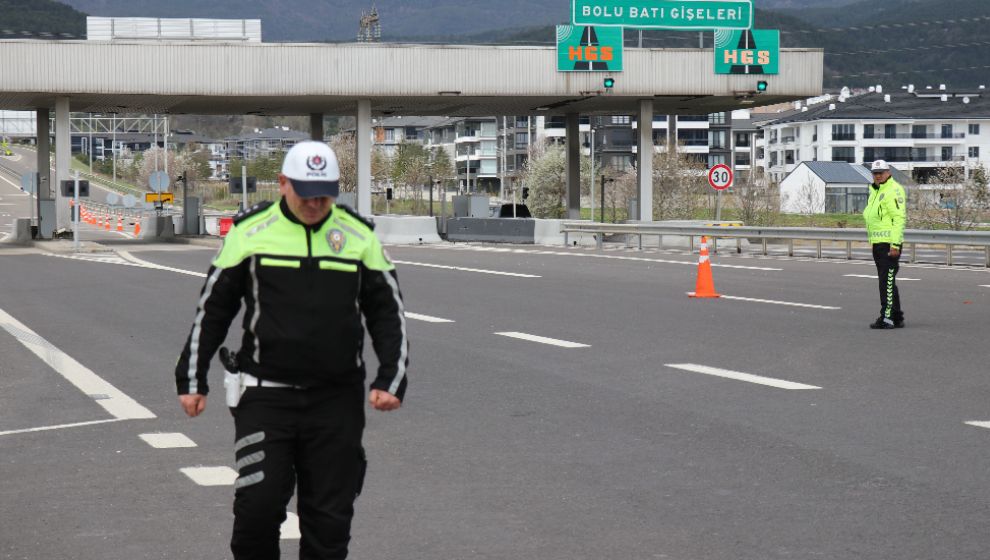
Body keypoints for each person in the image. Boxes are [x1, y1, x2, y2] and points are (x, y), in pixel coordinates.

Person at [173, 140, 408, 559]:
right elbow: (213, 308)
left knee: (329, 522)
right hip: (265, 395)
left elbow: (388, 312)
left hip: (336, 400)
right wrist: (192, 378)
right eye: (305, 192)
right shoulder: (250, 232)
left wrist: (391, 377)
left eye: (325, 194)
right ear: (282, 183)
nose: (316, 203)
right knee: (257, 511)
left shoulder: (358, 235)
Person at [863, 159, 906, 329]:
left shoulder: (893, 190)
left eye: (881, 173)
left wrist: (895, 245)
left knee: (885, 282)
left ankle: (887, 318)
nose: (878, 176)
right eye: (875, 173)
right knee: (887, 280)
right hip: (879, 243)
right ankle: (896, 316)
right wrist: (873, 242)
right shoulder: (875, 190)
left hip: (889, 244)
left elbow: (898, 218)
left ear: (888, 173)